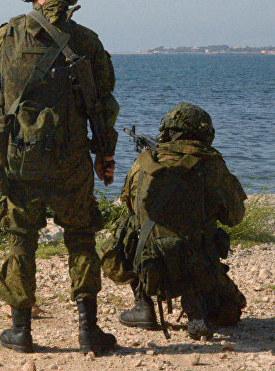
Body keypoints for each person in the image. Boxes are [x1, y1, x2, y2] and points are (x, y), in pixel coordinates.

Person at [0, 0, 120, 355]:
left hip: (18, 160)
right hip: (71, 159)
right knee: (81, 236)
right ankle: (88, 330)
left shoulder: (3, 38)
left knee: (21, 238)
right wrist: (104, 154)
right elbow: (103, 105)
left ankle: (20, 331)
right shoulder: (86, 41)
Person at [102, 103, 247, 340]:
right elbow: (235, 216)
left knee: (131, 227)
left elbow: (130, 205)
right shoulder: (210, 162)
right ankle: (198, 308)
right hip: (199, 265)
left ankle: (144, 305)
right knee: (231, 310)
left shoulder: (145, 161)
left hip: (151, 264)